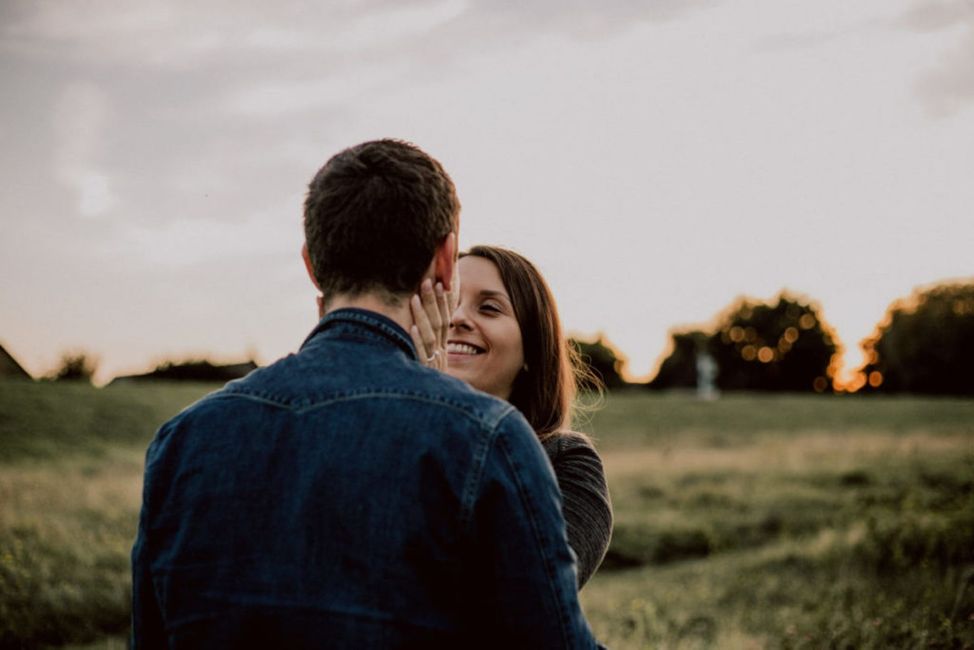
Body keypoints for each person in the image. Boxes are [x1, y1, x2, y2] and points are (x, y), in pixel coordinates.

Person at [131, 139, 599, 648]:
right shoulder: (487, 437)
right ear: (445, 261)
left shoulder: (182, 439)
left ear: (312, 264)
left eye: (490, 308)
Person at [408, 245, 612, 588]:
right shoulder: (380, 437)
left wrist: (439, 410)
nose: (457, 318)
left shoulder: (567, 462)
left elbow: (529, 593)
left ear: (532, 348)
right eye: (447, 303)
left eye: (488, 308)